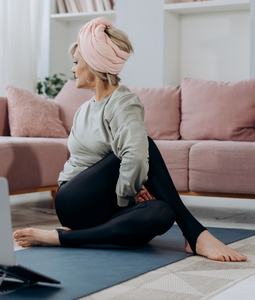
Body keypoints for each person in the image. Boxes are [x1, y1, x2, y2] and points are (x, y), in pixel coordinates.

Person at [14, 17, 247, 262]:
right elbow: (131, 155)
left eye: (76, 62)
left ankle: (63, 237)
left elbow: (132, 158)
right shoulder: (84, 109)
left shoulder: (123, 102)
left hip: (101, 209)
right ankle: (195, 232)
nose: (72, 69)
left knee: (162, 213)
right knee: (145, 144)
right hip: (74, 200)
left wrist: (129, 195)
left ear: (93, 65)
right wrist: (129, 196)